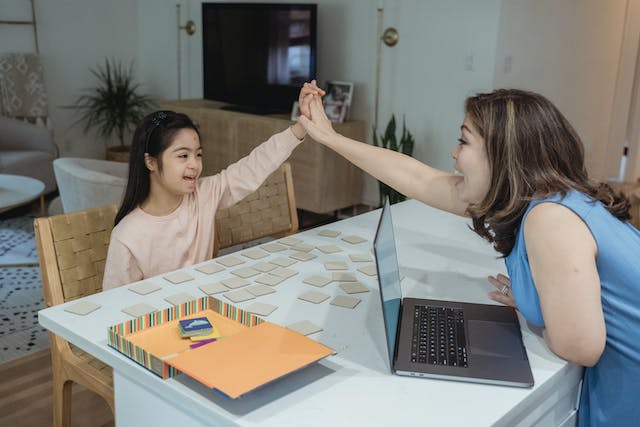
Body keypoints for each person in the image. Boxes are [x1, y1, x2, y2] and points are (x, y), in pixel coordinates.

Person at [297, 87, 640, 427]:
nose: (454, 154)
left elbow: (580, 346)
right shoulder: (545, 197)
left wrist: (547, 311)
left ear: (503, 156)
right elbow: (419, 178)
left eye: (463, 141)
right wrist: (330, 138)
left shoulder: (550, 220)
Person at [102, 82, 325, 290]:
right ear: (150, 161)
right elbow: (115, 305)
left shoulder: (205, 193)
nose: (195, 165)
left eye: (198, 155)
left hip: (207, 311)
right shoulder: (127, 235)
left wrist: (301, 126)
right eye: (183, 156)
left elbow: (254, 166)